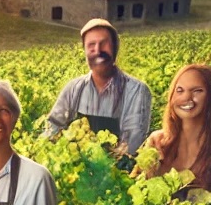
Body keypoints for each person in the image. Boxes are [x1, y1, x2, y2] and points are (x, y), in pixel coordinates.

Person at [42, 18, 152, 157]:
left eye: (104, 43)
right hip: (78, 172)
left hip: (117, 173)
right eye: (91, 45)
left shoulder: (137, 91)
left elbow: (131, 145)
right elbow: (53, 127)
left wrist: (97, 165)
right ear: (85, 51)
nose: (98, 50)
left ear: (115, 48)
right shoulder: (73, 89)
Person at [137, 63, 211, 199]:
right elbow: (135, 192)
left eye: (197, 91)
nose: (186, 98)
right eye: (180, 90)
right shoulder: (156, 141)